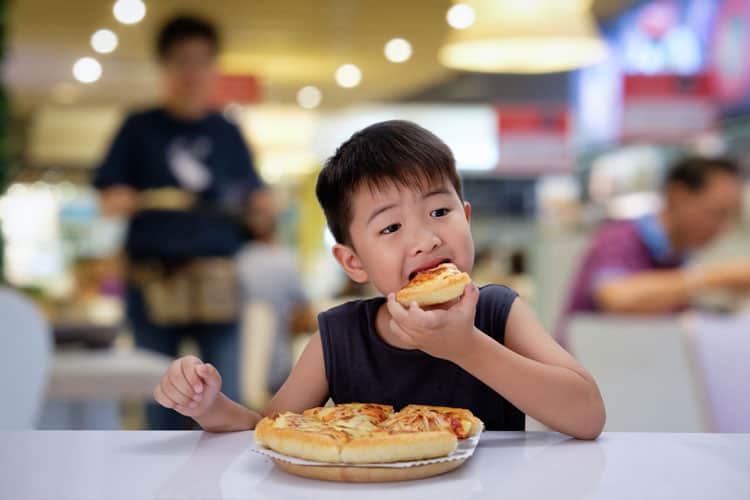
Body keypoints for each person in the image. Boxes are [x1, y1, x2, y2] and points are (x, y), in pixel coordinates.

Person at [153, 120, 606, 439]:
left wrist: (466, 346)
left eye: (440, 212)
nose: (426, 239)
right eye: (391, 228)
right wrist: (208, 406)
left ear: (466, 218)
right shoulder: (339, 336)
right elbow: (268, 433)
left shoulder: (498, 312)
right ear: (352, 262)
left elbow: (587, 415)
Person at [93, 15, 267, 429]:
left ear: (213, 67)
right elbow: (108, 197)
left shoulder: (227, 131)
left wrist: (261, 208)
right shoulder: (138, 127)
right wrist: (142, 199)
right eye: (182, 61)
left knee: (226, 399)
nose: (192, 73)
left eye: (202, 61)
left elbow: (258, 200)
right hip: (153, 281)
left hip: (217, 282)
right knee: (161, 400)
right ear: (164, 66)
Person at [560, 156, 749, 343]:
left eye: (731, 217)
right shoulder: (619, 239)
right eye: (716, 213)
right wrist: (717, 278)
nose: (722, 227)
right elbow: (617, 300)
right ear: (678, 195)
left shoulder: (679, 256)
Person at [235, 201, 317, 393]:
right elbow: (306, 309)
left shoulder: (234, 262)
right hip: (277, 369)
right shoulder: (285, 260)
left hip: (233, 367)